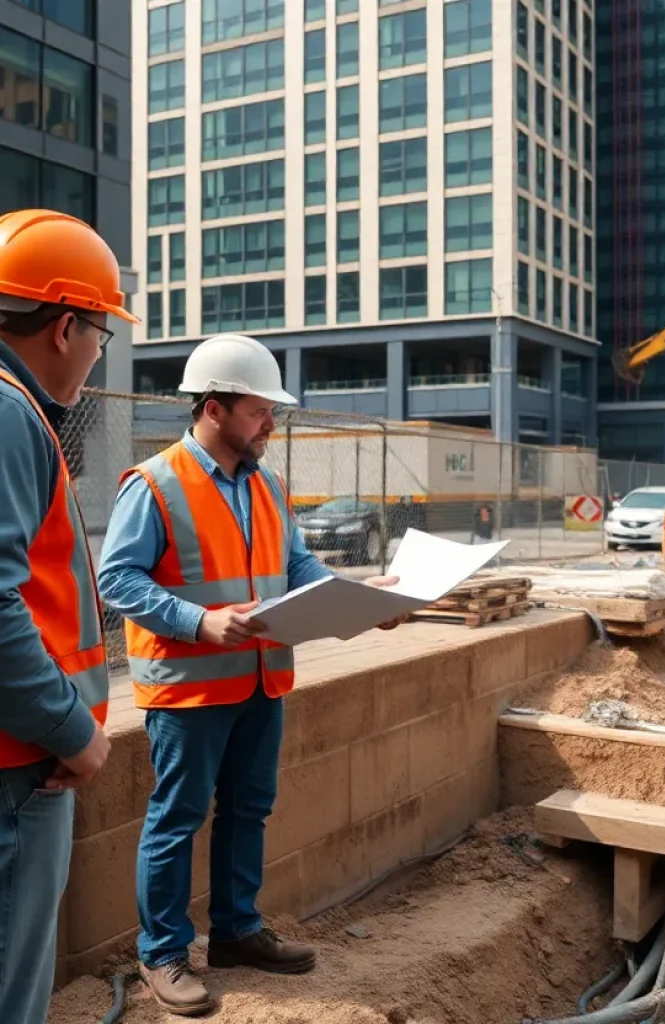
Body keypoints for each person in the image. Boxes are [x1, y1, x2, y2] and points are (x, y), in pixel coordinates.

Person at [98, 333, 405, 1016]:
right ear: (213, 407)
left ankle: (236, 932)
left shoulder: (268, 485)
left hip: (262, 679)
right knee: (177, 818)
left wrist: (364, 595)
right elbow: (115, 578)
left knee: (248, 810)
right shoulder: (154, 484)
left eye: (273, 412)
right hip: (189, 685)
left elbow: (295, 568)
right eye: (259, 411)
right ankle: (164, 953)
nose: (271, 424)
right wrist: (197, 620)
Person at [0, 209, 138, 1023]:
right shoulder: (11, 412)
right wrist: (72, 731)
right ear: (62, 326)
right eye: (99, 332)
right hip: (23, 766)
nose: (96, 352)